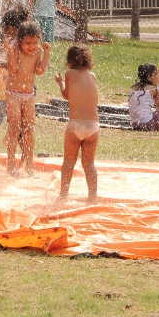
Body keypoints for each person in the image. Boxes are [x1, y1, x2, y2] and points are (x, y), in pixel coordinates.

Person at [5, 21, 51, 177]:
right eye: (27, 43)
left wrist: (46, 54)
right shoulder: (15, 50)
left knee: (29, 129)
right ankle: (11, 166)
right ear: (19, 41)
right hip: (13, 93)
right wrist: (10, 51)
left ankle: (29, 167)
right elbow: (13, 69)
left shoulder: (38, 51)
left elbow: (39, 71)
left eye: (35, 42)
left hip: (29, 94)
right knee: (14, 127)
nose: (31, 46)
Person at [54, 43, 98, 203]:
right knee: (89, 164)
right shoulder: (92, 76)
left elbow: (66, 95)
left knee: (68, 162)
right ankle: (92, 197)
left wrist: (60, 82)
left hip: (75, 125)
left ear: (70, 61)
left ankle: (63, 195)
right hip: (93, 126)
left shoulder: (69, 73)